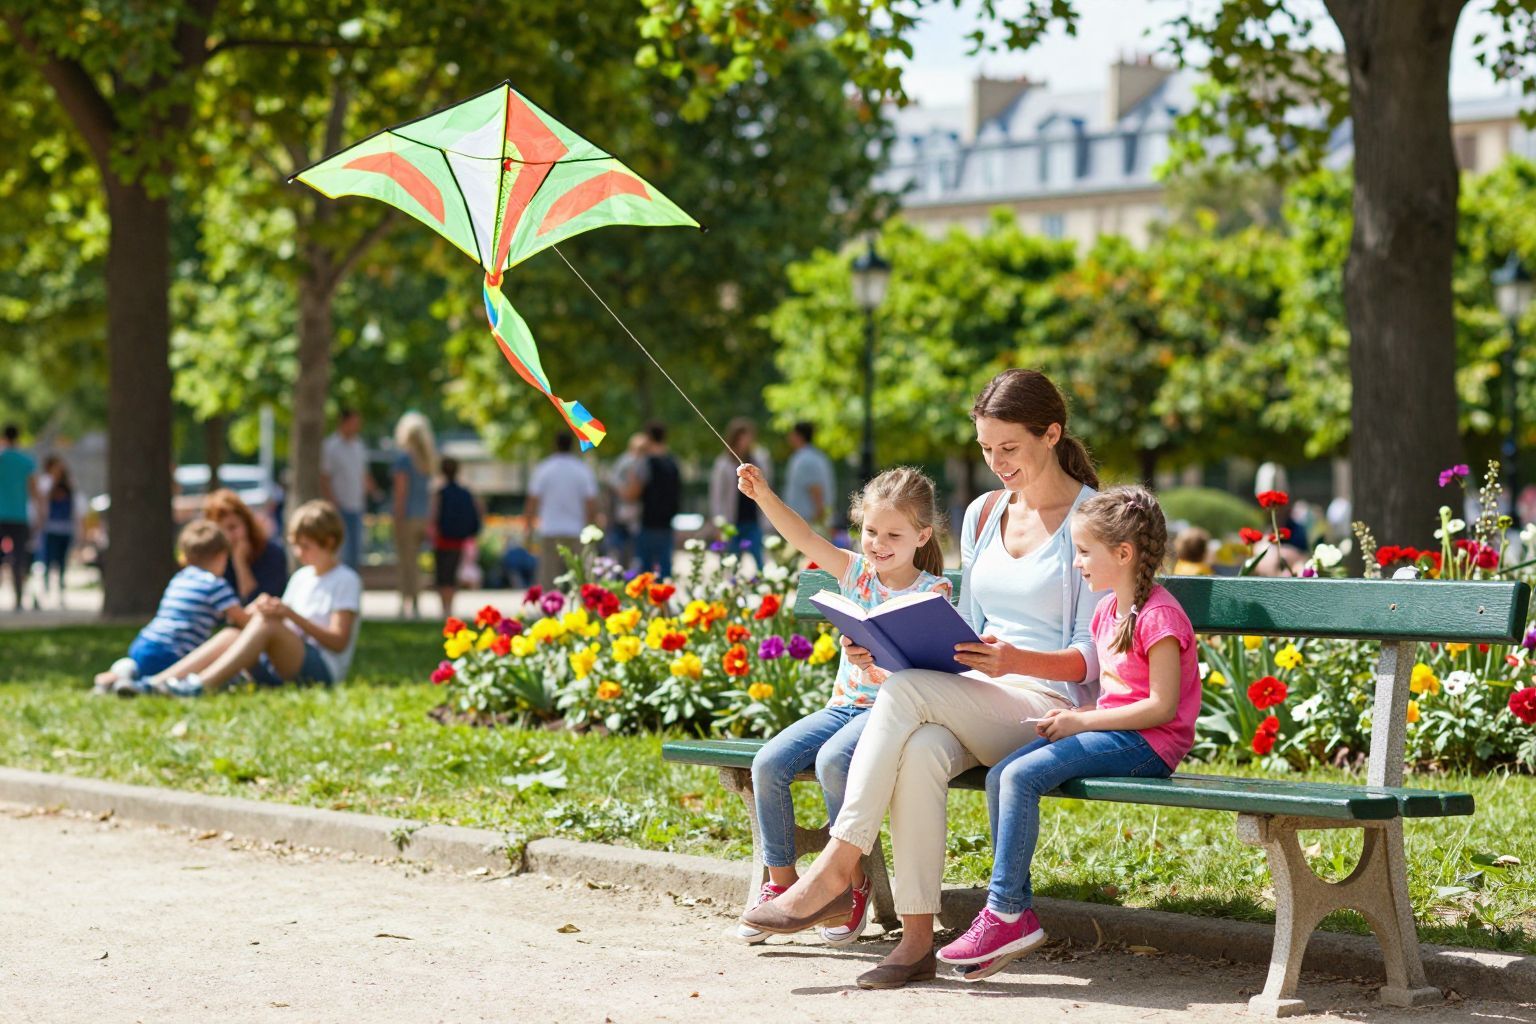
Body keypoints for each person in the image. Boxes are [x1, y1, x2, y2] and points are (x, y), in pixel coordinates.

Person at [740, 369, 1100, 990]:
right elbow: (969, 625)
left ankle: (836, 865)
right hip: (978, 694)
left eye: (1008, 448)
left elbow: (1092, 659)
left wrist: (1014, 660)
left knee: (905, 698)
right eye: (986, 450)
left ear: (1051, 434)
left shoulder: (1092, 517)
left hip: (1045, 704)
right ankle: (914, 942)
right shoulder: (987, 512)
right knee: (920, 750)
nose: (997, 463)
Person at [941, 486, 1200, 980]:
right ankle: (1011, 913)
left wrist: (1080, 721)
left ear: (1123, 554)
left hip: (1151, 744)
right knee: (1002, 774)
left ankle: (1005, 912)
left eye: (1084, 552)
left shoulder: (1159, 616)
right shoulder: (1107, 611)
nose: (1077, 563)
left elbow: (1161, 707)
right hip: (1115, 734)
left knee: (1020, 779)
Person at [734, 463, 951, 947]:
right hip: (842, 708)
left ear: (921, 535)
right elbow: (804, 537)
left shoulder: (931, 592)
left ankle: (851, 886)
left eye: (893, 533)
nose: (878, 542)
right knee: (767, 762)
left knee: (835, 761)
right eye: (871, 530)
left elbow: (932, 671)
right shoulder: (857, 573)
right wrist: (763, 495)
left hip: (890, 715)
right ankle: (784, 886)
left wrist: (880, 657)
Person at [131, 500, 362, 695]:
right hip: (283, 663)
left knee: (268, 624)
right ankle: (156, 683)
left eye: (306, 546)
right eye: (296, 546)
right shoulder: (302, 576)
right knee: (233, 633)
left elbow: (338, 641)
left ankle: (199, 686)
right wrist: (263, 610)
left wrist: (289, 615)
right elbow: (282, 621)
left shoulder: (345, 580)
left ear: (329, 542)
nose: (299, 554)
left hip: (322, 671)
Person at [91, 520, 251, 692]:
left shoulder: (179, 579)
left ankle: (118, 675)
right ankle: (142, 683)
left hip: (144, 644)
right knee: (215, 669)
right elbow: (242, 621)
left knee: (142, 668)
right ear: (221, 556)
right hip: (172, 653)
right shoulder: (216, 585)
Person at [527, 433, 598, 590]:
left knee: (548, 577)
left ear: (554, 445)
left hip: (550, 529)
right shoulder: (582, 470)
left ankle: (547, 611)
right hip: (577, 530)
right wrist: (592, 527)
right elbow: (591, 503)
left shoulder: (544, 469)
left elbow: (532, 501)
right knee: (582, 577)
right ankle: (586, 611)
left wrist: (529, 527)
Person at [204, 488, 289, 604]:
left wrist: (240, 563)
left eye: (232, 527)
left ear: (247, 524)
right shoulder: (211, 558)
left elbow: (259, 603)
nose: (228, 537)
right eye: (220, 531)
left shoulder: (272, 554)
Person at [709, 418, 773, 572]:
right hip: (732, 522)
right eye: (743, 437)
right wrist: (718, 523)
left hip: (754, 520)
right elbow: (717, 496)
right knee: (732, 563)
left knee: (759, 561)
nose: (746, 441)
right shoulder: (723, 463)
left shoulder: (760, 459)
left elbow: (768, 485)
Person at [391, 412, 438, 618]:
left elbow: (401, 491)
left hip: (407, 516)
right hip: (423, 516)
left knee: (405, 561)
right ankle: (417, 602)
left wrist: (397, 516)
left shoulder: (404, 458)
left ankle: (405, 603)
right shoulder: (428, 458)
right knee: (417, 561)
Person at [321, 407, 377, 570]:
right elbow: (324, 477)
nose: (357, 426)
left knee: (356, 552)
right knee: (342, 551)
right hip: (340, 506)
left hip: (357, 505)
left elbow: (363, 474)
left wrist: (373, 492)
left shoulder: (359, 445)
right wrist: (332, 502)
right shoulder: (330, 446)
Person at [432, 456, 483, 618]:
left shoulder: (440, 492)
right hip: (459, 540)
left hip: (442, 539)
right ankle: (450, 608)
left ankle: (444, 608)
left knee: (442, 574)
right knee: (452, 573)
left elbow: (434, 515)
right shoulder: (465, 492)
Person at [631, 422, 681, 579]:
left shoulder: (645, 462)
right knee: (665, 571)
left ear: (648, 438)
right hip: (667, 523)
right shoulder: (673, 462)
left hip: (647, 522)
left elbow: (633, 492)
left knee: (645, 573)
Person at [0, 424, 37, 611]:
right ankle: (19, 600)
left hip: (1, 514)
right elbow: (33, 490)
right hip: (19, 516)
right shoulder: (26, 461)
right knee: (19, 558)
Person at [37, 455, 80, 608]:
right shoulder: (46, 482)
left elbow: (74, 506)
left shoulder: (69, 484)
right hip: (51, 528)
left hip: (65, 528)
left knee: (62, 564)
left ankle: (61, 594)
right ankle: (45, 593)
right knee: (47, 562)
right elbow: (43, 502)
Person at [783, 421, 836, 538]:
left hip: (808, 522)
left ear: (798, 435)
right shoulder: (813, 456)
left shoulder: (806, 459)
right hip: (806, 521)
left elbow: (816, 489)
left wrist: (820, 520)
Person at [605, 433, 649, 569]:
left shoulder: (636, 463)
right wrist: (625, 492)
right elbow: (615, 484)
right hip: (622, 518)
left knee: (629, 557)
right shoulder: (628, 463)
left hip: (633, 518)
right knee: (621, 556)